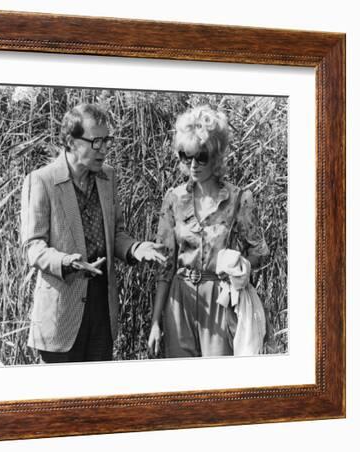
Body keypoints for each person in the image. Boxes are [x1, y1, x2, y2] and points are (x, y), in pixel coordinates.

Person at [21, 103, 166, 364]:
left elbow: (117, 234)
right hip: (60, 316)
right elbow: (33, 247)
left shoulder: (107, 177)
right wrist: (67, 262)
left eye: (106, 141)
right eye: (95, 142)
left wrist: (135, 249)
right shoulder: (41, 180)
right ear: (70, 142)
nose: (104, 149)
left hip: (101, 310)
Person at [148, 105, 269, 358]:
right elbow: (164, 266)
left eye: (201, 157)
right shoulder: (173, 198)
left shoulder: (238, 199)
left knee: (218, 383)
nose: (193, 164)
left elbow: (259, 251)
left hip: (219, 297)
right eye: (185, 155)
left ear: (216, 156)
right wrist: (156, 322)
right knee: (182, 386)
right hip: (178, 299)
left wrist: (240, 265)